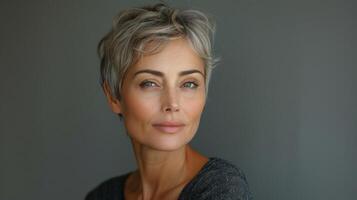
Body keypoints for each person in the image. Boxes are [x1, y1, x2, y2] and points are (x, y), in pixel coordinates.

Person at [85, 3, 252, 200]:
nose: (172, 104)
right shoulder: (102, 196)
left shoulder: (221, 189)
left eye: (189, 84)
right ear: (113, 96)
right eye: (150, 83)